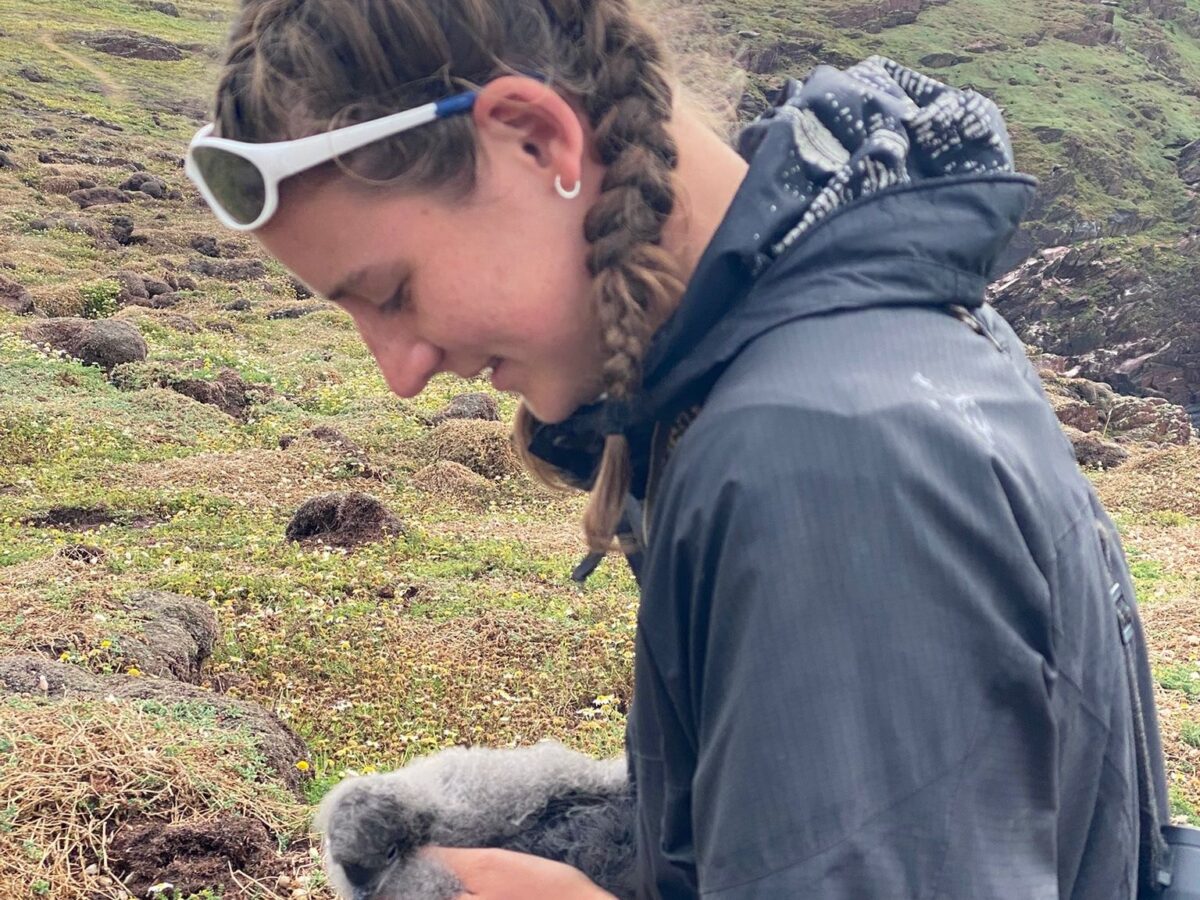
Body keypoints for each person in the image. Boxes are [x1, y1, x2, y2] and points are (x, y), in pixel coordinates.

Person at [188, 1, 1171, 896]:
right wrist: (572, 833)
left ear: (537, 141)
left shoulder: (820, 464)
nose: (398, 371)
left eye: (393, 291)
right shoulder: (830, 352)